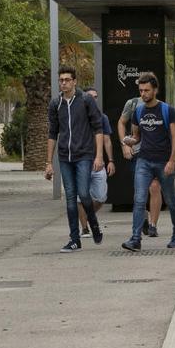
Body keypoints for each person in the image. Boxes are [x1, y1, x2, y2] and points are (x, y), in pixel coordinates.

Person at [43, 66, 104, 252]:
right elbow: (52, 133)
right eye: (61, 80)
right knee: (70, 198)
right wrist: (48, 163)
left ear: (75, 81)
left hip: (84, 155)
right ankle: (74, 239)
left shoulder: (85, 100)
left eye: (67, 79)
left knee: (84, 194)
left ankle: (93, 223)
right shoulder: (55, 104)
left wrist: (99, 156)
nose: (64, 83)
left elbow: (98, 128)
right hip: (64, 158)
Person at [121, 72, 175, 251]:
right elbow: (136, 136)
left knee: (171, 200)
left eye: (147, 90)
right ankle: (135, 238)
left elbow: (174, 138)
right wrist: (130, 141)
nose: (143, 94)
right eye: (141, 90)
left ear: (155, 90)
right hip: (144, 161)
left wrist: (172, 161)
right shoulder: (138, 111)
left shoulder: (167, 110)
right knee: (139, 199)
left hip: (163, 161)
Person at [119, 95, 163, 236]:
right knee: (140, 190)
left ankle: (153, 225)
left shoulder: (162, 107)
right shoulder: (132, 104)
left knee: (155, 187)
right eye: (142, 89)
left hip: (155, 153)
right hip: (138, 153)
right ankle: (143, 219)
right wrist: (124, 145)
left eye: (148, 89)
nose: (145, 92)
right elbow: (121, 122)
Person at [77, 87, 116, 238]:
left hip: (98, 163)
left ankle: (88, 216)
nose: (94, 99)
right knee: (81, 197)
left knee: (101, 197)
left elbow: (107, 140)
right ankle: (85, 228)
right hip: (81, 162)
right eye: (90, 96)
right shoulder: (77, 117)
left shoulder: (102, 117)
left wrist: (110, 160)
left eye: (96, 97)